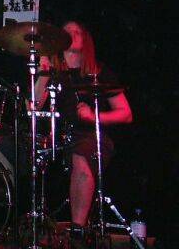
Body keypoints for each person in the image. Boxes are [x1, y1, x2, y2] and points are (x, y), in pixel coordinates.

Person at [34, 21, 132, 239]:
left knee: (81, 158)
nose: (72, 34)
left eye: (77, 31)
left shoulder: (98, 71)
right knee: (4, 146)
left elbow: (125, 113)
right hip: (53, 136)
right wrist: (42, 75)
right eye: (67, 31)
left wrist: (93, 116)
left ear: (86, 39)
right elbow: (32, 107)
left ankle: (77, 232)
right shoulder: (52, 69)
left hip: (88, 135)